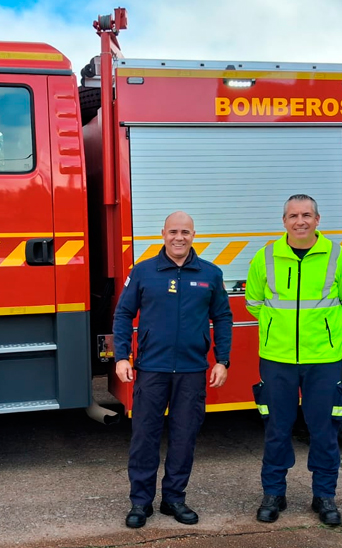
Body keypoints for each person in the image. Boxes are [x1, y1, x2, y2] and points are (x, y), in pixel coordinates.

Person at [245, 194, 342, 526]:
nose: (300, 221)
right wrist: (278, 329)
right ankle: (273, 494)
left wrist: (323, 332)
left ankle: (324, 497)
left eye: (307, 215)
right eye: (294, 215)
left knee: (324, 430)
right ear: (284, 221)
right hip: (277, 357)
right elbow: (252, 303)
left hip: (323, 359)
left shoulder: (338, 257)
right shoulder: (266, 256)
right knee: (277, 430)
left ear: (317, 219)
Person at [113, 211, 233, 529]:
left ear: (194, 235)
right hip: (151, 369)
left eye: (186, 232)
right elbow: (123, 314)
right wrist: (121, 356)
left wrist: (223, 360)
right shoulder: (143, 273)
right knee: (144, 438)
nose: (179, 237)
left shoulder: (210, 273)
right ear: (162, 234)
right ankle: (140, 502)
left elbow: (223, 317)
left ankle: (174, 499)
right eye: (173, 231)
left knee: (184, 437)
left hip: (192, 371)